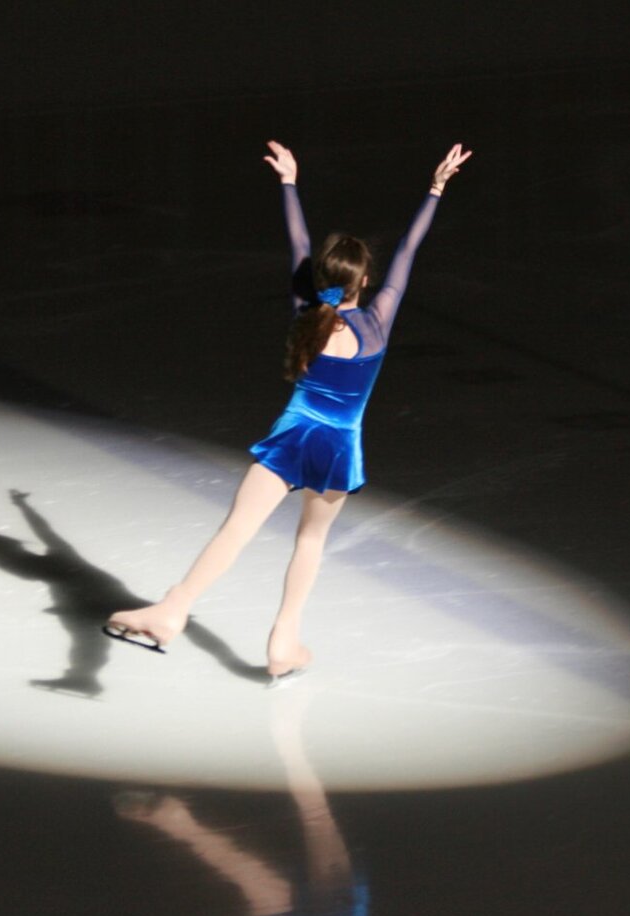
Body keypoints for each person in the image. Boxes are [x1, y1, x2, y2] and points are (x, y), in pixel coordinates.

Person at [106, 139, 472, 683]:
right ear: (365, 283)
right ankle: (284, 639)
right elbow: (407, 253)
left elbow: (297, 244)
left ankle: (173, 608)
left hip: (293, 435)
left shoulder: (306, 311)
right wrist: (436, 187)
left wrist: (289, 181)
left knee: (236, 530)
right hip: (340, 445)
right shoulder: (379, 320)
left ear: (320, 281)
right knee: (311, 539)